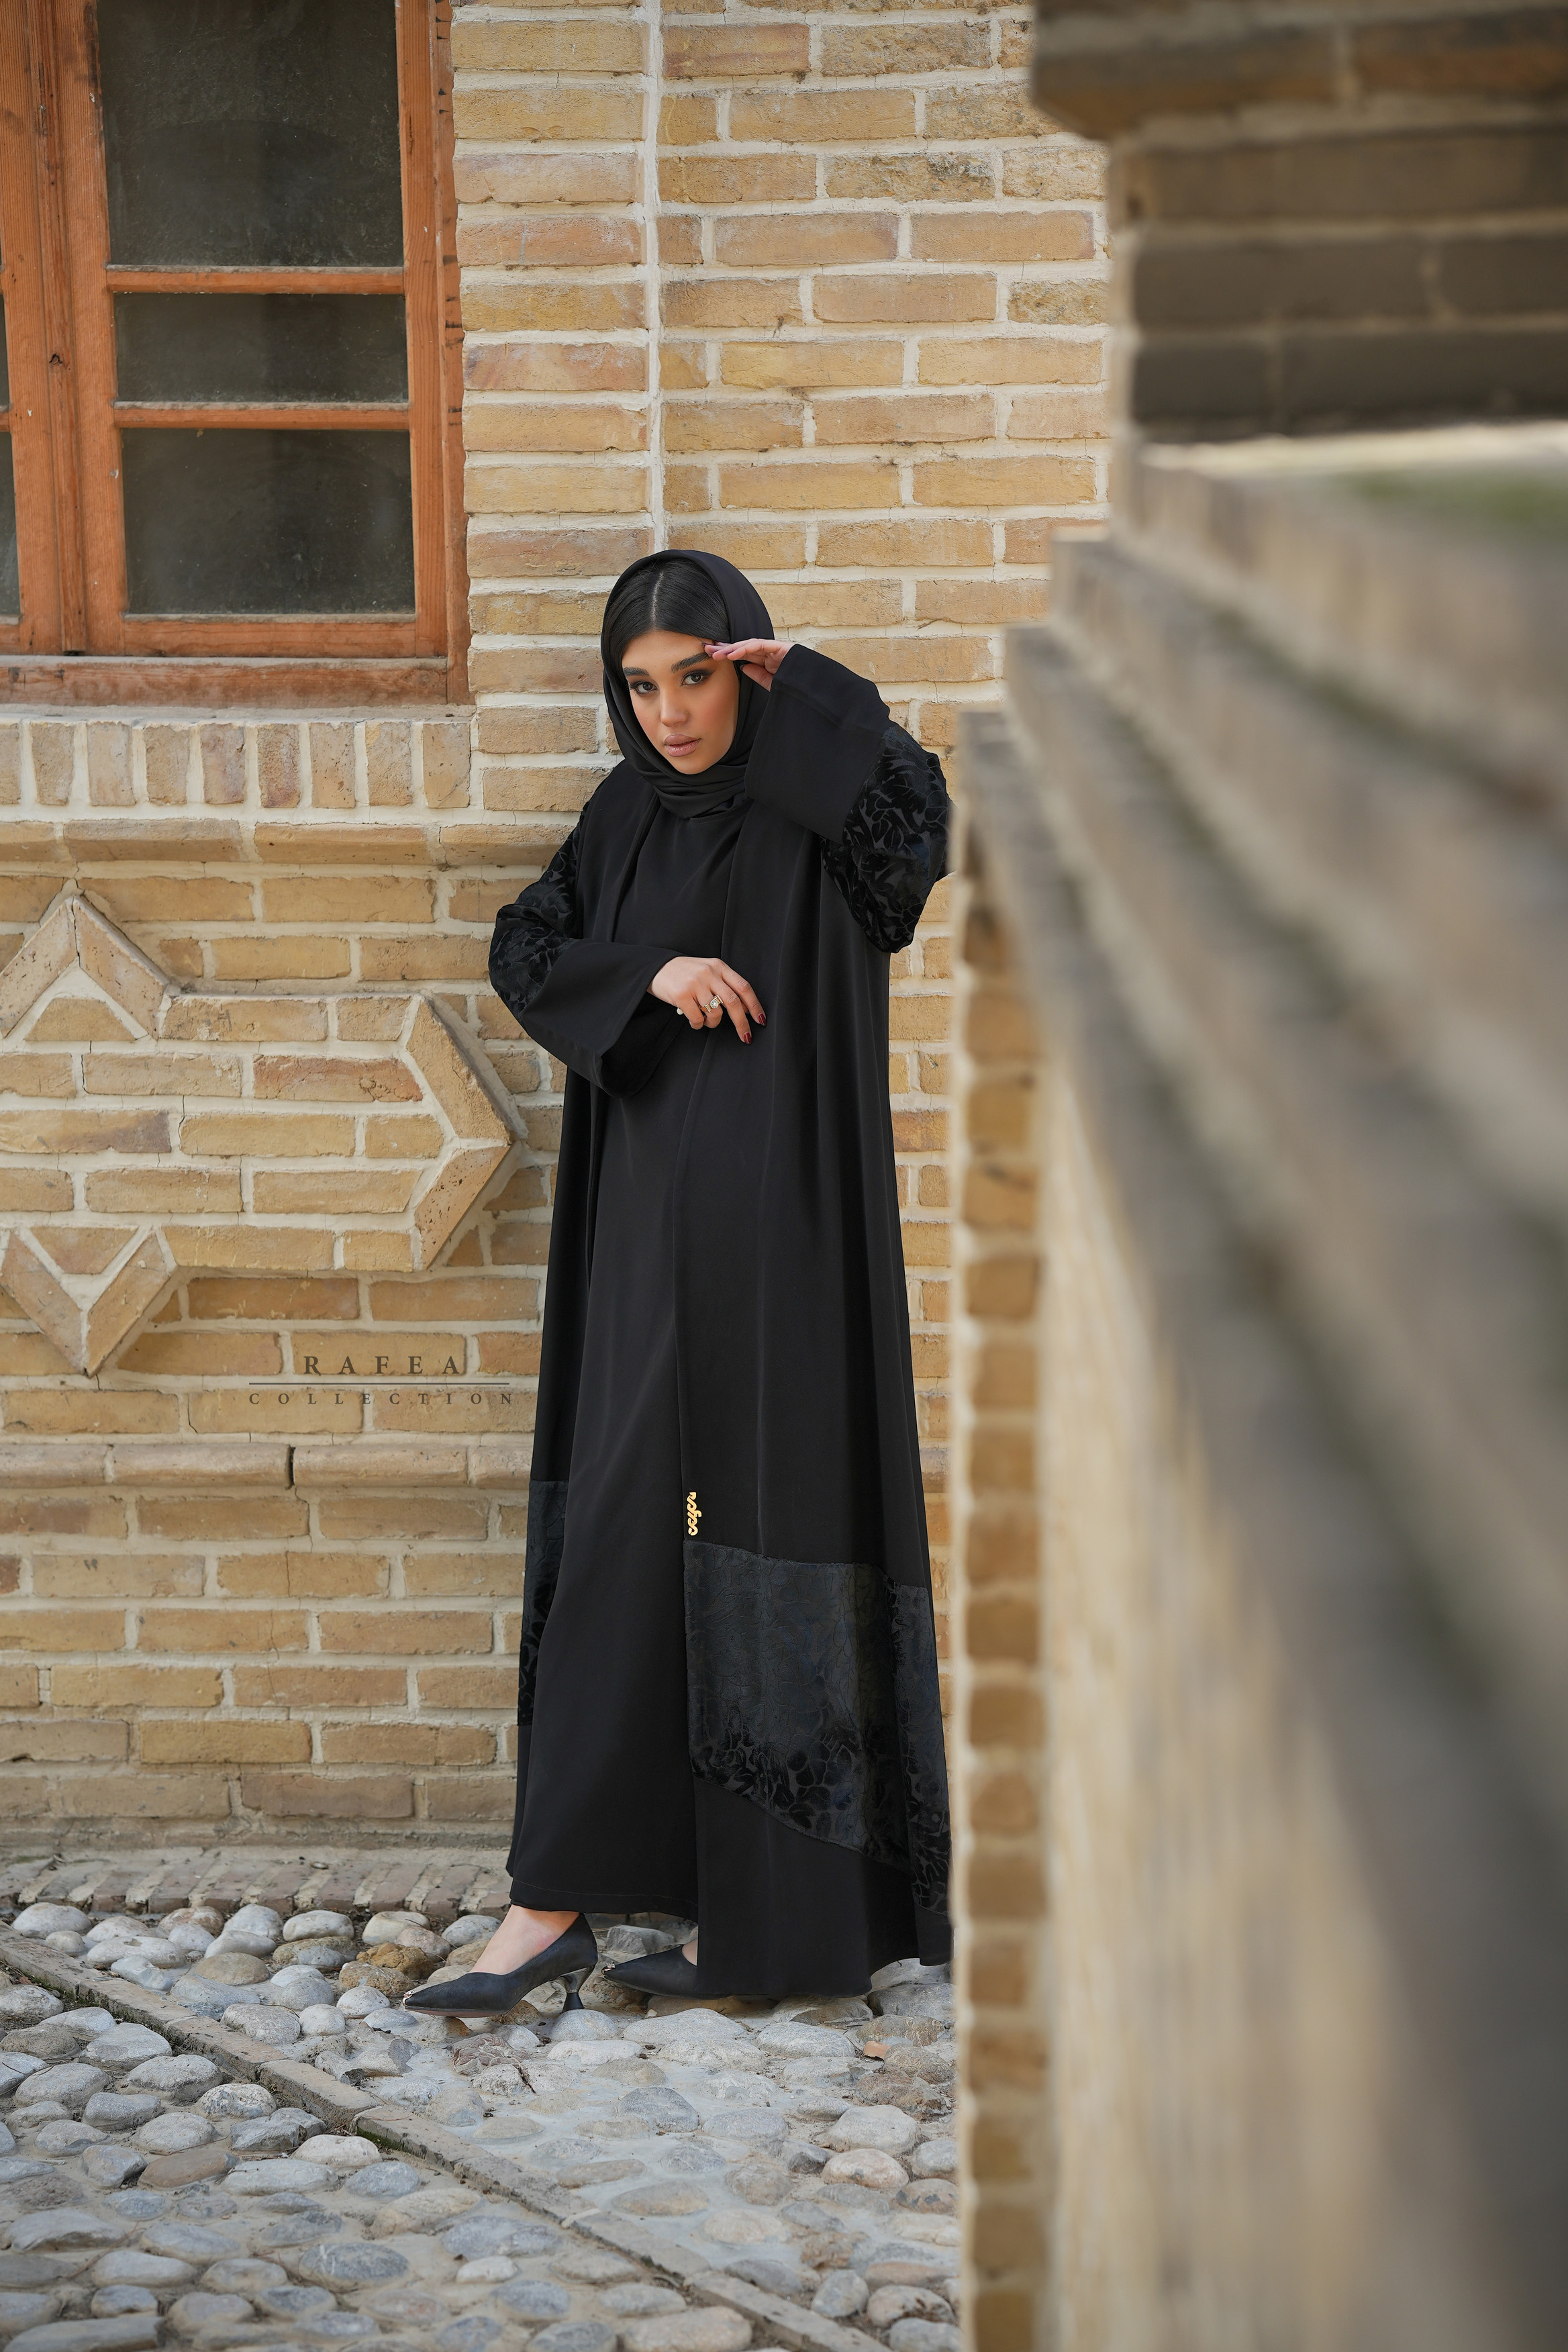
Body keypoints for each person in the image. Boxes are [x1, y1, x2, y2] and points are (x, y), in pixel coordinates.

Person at [403, 548, 952, 2017]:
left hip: (785, 1242)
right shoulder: (623, 815)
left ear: (740, 668)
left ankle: (770, 1934)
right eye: (640, 685)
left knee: (776, 1544)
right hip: (645, 1242)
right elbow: (527, 945)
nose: (669, 713)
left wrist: (816, 698)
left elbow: (919, 841)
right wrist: (646, 973)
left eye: (696, 677)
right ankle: (548, 1907)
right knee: (622, 1545)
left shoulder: (822, 810)